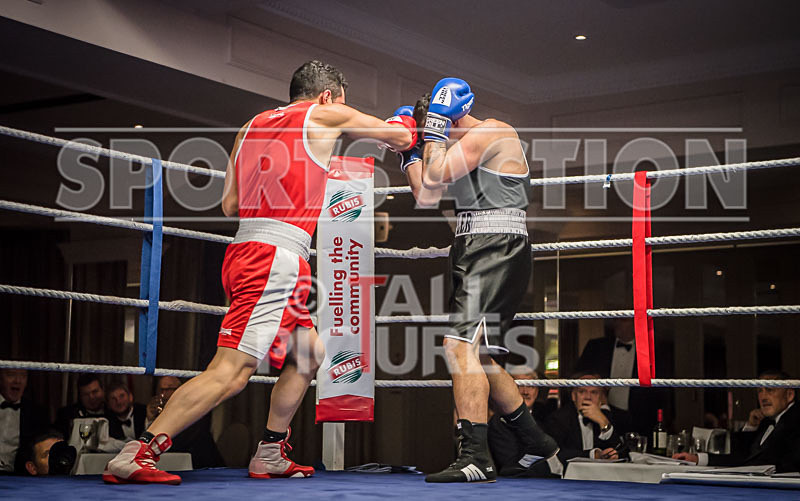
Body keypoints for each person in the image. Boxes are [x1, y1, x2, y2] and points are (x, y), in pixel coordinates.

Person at [103, 60, 415, 485]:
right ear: (327, 96)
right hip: (274, 259)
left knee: (308, 353)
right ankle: (139, 451)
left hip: (249, 250)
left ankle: (270, 450)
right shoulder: (324, 113)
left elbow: (229, 204)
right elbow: (401, 137)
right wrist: (411, 120)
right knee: (231, 371)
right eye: (341, 102)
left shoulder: (250, 126)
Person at [399, 77, 559, 483]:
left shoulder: (492, 132)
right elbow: (425, 195)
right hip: (472, 247)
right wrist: (409, 152)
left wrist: (431, 132)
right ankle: (535, 439)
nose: (435, 141)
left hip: (496, 244)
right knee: (479, 355)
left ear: (449, 118)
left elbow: (435, 173)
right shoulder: (456, 149)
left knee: (458, 346)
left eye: (437, 130)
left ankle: (475, 457)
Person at [673, 371, 799, 473]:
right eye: (760, 391)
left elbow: (764, 463)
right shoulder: (767, 422)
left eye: (770, 389)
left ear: (789, 395)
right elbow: (742, 455)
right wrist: (698, 459)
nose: (763, 397)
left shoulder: (795, 421)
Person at [575, 317, 669, 434]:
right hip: (600, 414)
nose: (617, 324)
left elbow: (660, 391)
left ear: (636, 324)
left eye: (623, 320)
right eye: (616, 320)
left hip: (639, 419)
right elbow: (579, 376)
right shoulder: (596, 346)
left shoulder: (652, 351)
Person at [543, 373, 630, 463]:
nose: (588, 397)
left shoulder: (608, 416)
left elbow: (623, 453)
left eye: (594, 392)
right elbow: (555, 453)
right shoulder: (558, 419)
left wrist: (604, 422)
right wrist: (593, 455)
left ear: (601, 398)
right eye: (582, 391)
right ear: (573, 396)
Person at [487, 370, 557, 476]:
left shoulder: (546, 416)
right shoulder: (499, 421)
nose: (525, 392)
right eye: (519, 386)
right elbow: (510, 465)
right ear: (509, 390)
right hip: (517, 481)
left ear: (537, 391)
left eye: (530, 386)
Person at [146, 376, 223, 469]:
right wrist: (150, 419)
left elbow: (180, 443)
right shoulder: (160, 411)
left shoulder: (195, 408)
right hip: (174, 465)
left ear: (180, 390)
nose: (163, 394)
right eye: (161, 390)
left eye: (169, 389)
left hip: (203, 466)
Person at [0, 368, 48, 474]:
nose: (17, 381)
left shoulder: (37, 413)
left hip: (19, 477)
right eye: (11, 375)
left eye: (23, 376)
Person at [54, 373, 107, 439]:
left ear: (102, 391)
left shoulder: (112, 412)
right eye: (86, 394)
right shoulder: (67, 414)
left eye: (95, 392)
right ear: (80, 396)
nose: (91, 397)